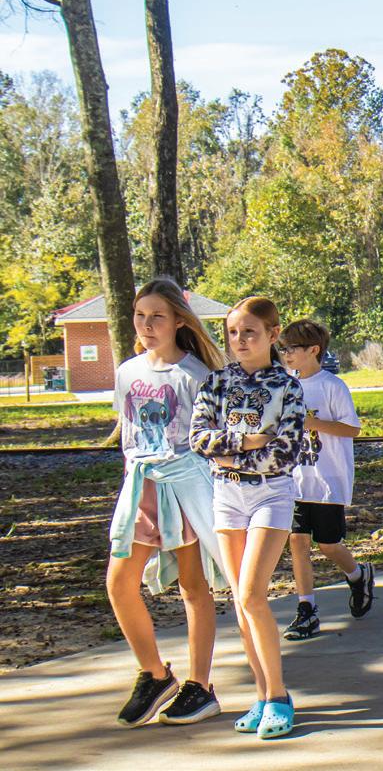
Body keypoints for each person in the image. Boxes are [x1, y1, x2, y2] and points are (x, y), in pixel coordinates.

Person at [107, 278, 227, 728]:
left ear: (179, 320)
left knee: (193, 587)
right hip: (141, 489)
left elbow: (212, 441)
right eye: (140, 315)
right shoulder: (128, 371)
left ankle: (200, 686)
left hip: (185, 488)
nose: (146, 324)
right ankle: (155, 674)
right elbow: (129, 433)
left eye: (157, 316)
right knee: (119, 582)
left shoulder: (197, 375)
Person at [190, 297, 306, 739]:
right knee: (240, 602)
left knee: (254, 594)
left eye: (250, 332)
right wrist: (247, 441)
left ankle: (279, 696)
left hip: (270, 496)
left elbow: (285, 452)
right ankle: (261, 696)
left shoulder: (288, 387)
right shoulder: (216, 383)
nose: (239, 340)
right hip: (226, 497)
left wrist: (229, 452)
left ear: (273, 335)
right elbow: (198, 438)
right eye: (233, 332)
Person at [277, 319, 372, 641]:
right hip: (294, 479)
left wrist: (313, 423)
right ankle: (307, 609)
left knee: (328, 544)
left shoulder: (332, 386)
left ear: (313, 350)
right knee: (297, 541)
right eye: (283, 349)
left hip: (327, 479)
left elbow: (352, 428)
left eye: (292, 348)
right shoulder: (285, 385)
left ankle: (357, 575)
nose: (286, 354)